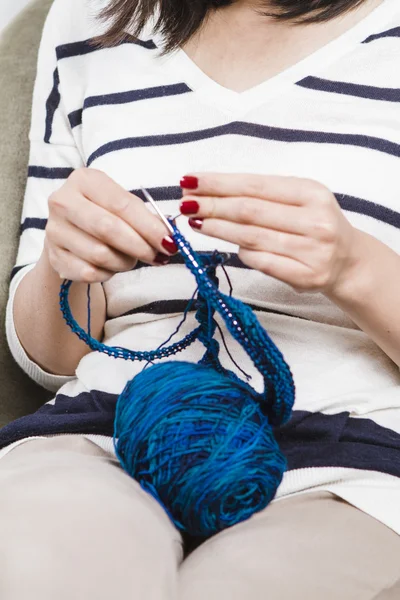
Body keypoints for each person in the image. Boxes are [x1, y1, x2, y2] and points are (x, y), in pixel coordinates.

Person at [1, 0, 400, 597]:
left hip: (352, 466)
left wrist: (356, 268)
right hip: (108, 432)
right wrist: (67, 265)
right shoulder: (87, 21)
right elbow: (48, 359)